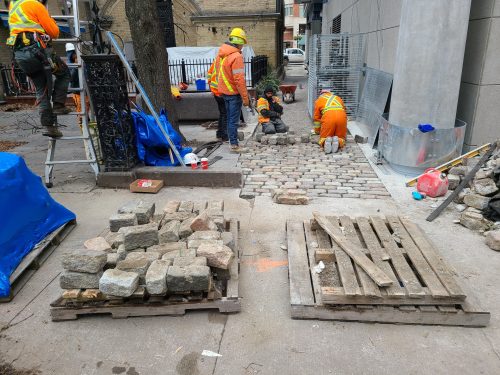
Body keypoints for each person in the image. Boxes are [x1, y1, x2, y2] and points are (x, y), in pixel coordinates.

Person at [7, 0, 70, 138]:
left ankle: (49, 127)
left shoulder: (13, 6)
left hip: (20, 56)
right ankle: (59, 104)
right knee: (64, 73)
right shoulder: (35, 5)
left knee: (42, 89)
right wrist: (49, 21)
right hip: (37, 52)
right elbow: (54, 32)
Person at [215, 27, 250, 153]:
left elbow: (219, 73)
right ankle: (234, 145)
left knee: (229, 118)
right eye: (242, 43)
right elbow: (239, 80)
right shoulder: (236, 57)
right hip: (234, 94)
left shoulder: (222, 55)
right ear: (239, 42)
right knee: (233, 120)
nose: (242, 46)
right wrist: (245, 98)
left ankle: (232, 140)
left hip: (224, 92)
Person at [313, 89, 347, 154]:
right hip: (342, 117)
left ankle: (326, 141)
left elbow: (317, 118)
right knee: (341, 137)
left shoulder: (319, 100)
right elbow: (344, 110)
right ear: (330, 93)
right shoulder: (338, 98)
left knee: (324, 138)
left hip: (328, 118)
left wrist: (317, 131)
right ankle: (338, 141)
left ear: (321, 94)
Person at [207, 50, 228, 142]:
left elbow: (209, 73)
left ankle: (219, 133)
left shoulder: (217, 60)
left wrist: (211, 88)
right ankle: (224, 135)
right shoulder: (226, 60)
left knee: (222, 113)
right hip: (222, 92)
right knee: (225, 114)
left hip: (216, 92)